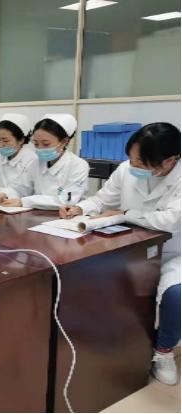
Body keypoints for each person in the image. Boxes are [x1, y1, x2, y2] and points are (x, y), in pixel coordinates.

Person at [59, 123, 181, 385]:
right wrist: (80, 208)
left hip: (175, 250)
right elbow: (103, 200)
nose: (133, 165)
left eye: (141, 161)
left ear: (170, 160)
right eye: (131, 158)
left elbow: (170, 220)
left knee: (175, 295)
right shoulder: (127, 169)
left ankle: (163, 350)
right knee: (94, 272)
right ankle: (114, 339)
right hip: (131, 246)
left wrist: (126, 215)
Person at [0, 113, 89, 210]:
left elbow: (66, 200)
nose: (40, 148)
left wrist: (25, 201)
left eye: (46, 144)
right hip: (36, 213)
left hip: (66, 216)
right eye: (36, 144)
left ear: (64, 141)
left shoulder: (78, 165)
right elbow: (21, 187)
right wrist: (5, 194)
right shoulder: (36, 163)